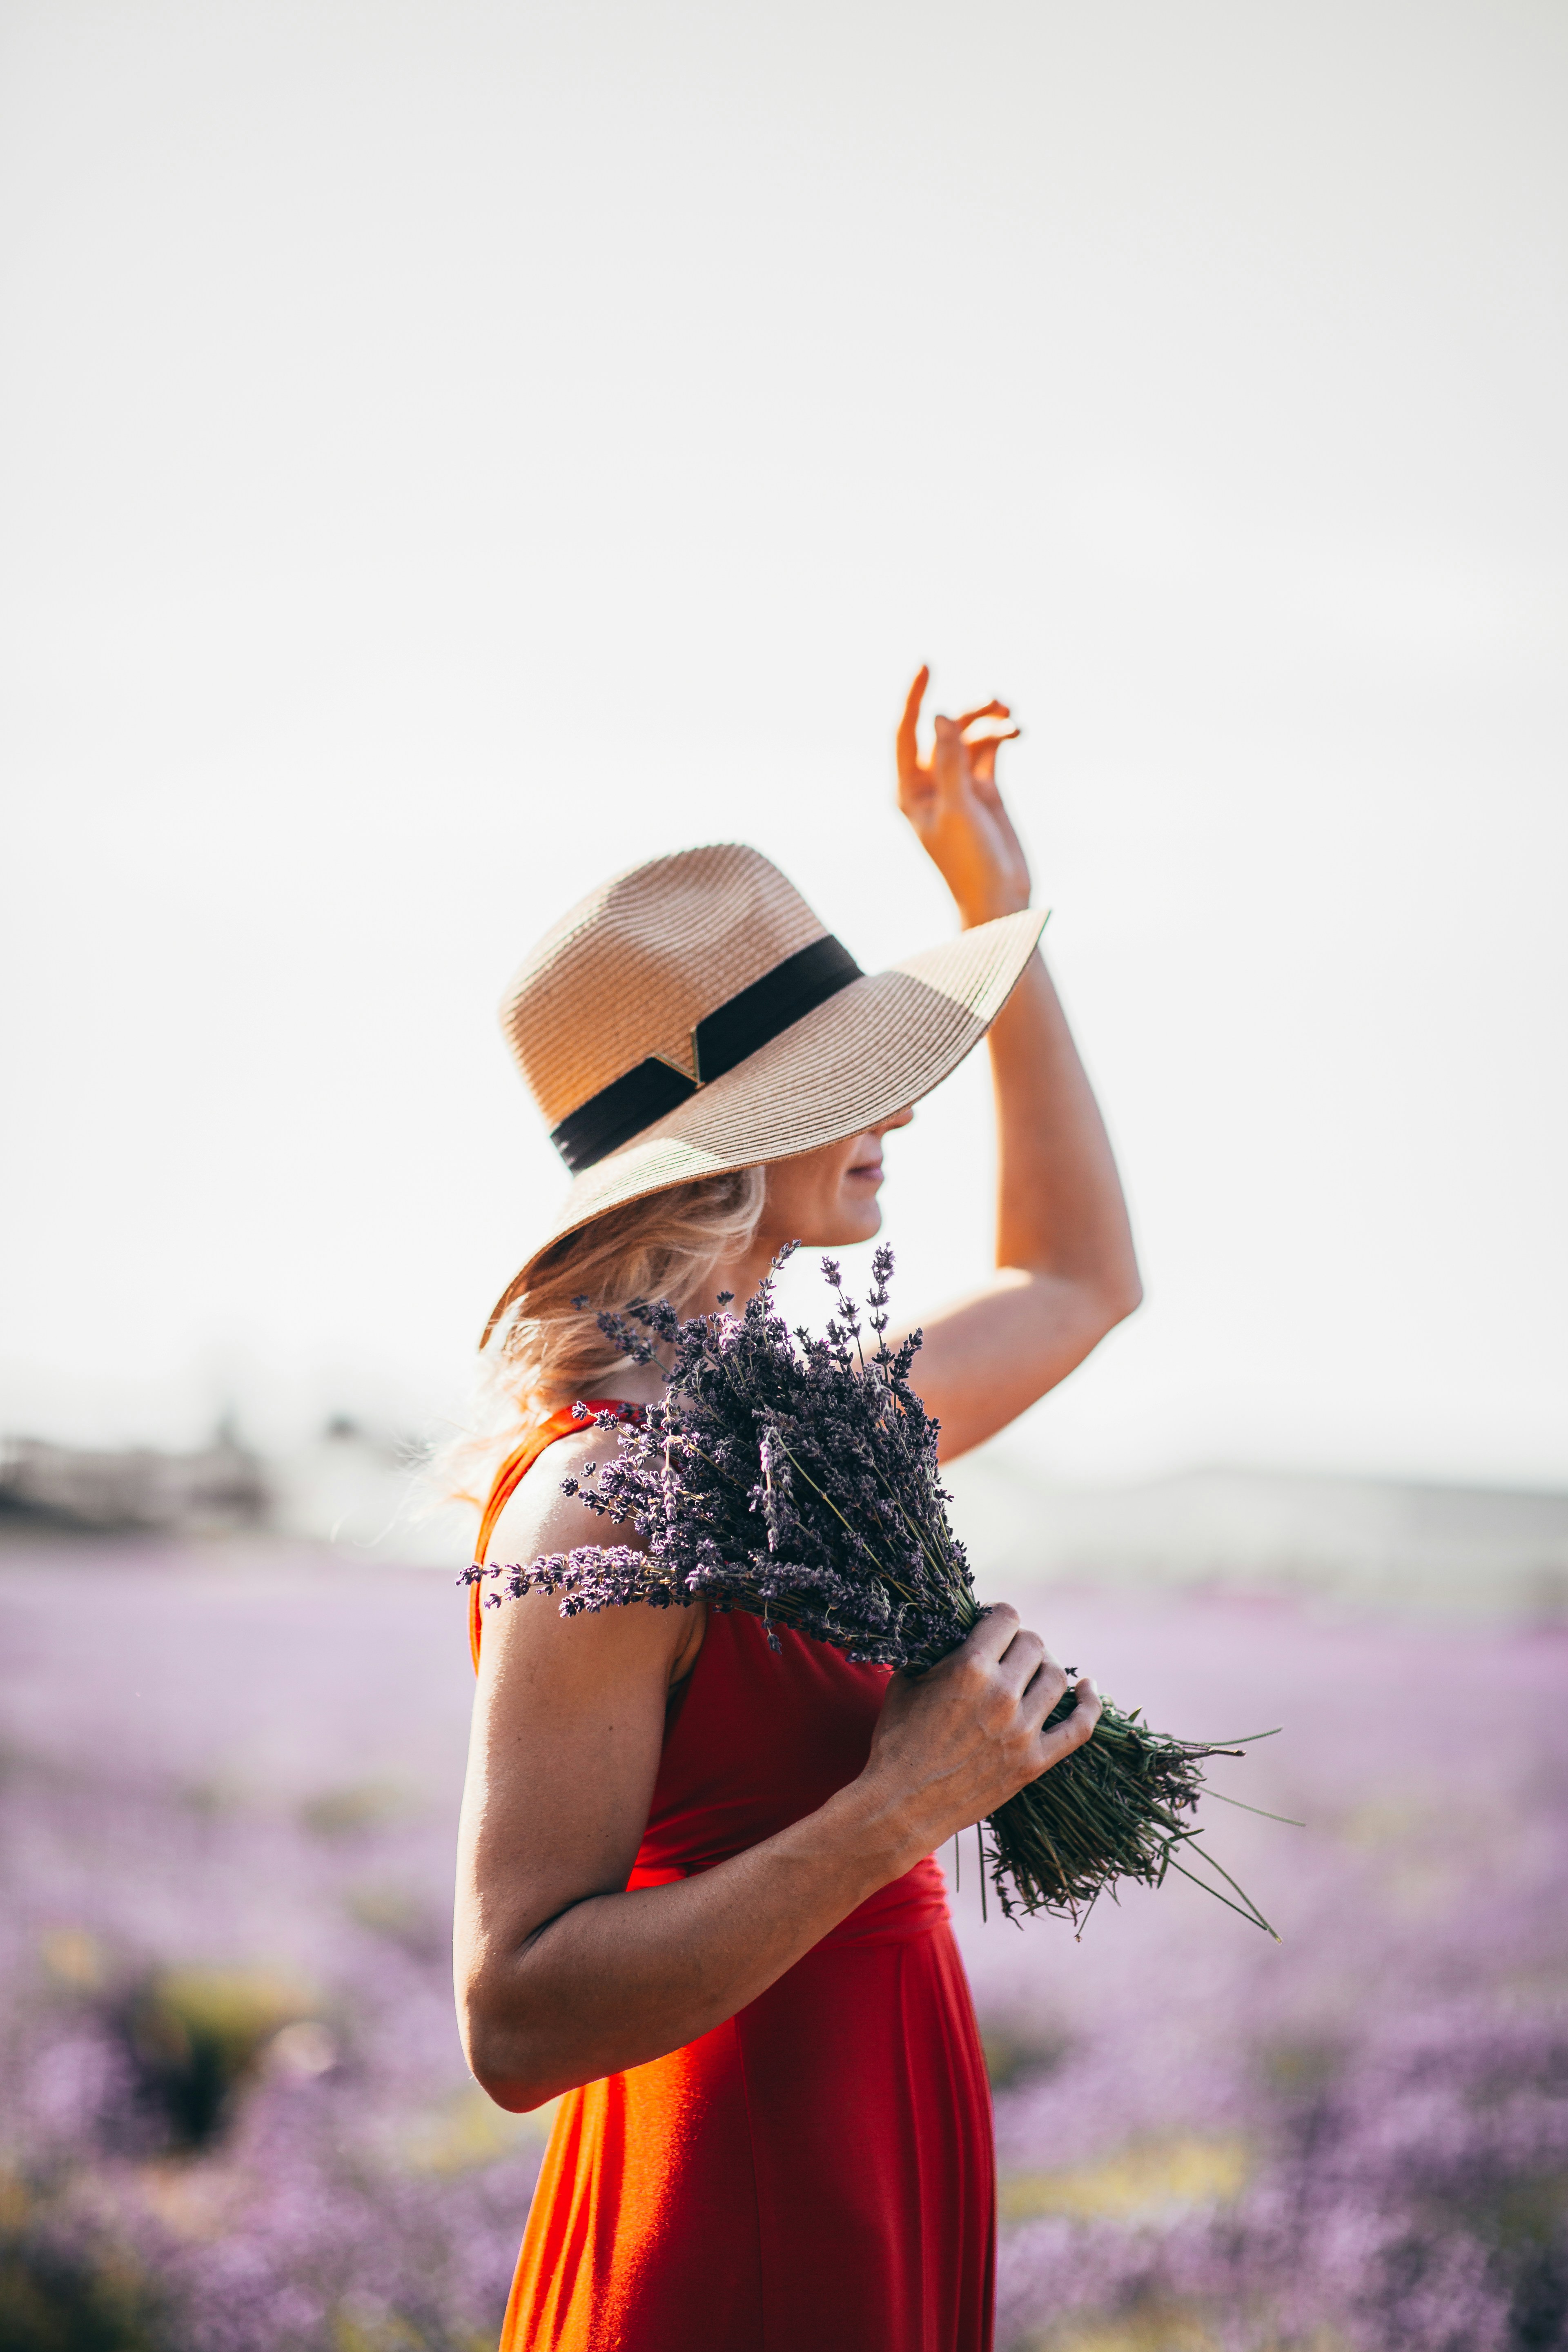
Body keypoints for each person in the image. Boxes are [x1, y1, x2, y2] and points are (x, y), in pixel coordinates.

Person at [453, 668, 1142, 2352]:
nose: (903, 1106)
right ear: (724, 1143)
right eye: (850, 1075)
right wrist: (904, 1809)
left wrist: (998, 908)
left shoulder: (816, 1431)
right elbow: (516, 2020)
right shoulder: (602, 1504)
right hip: (732, 2219)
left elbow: (1076, 1276)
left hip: (879, 2164)